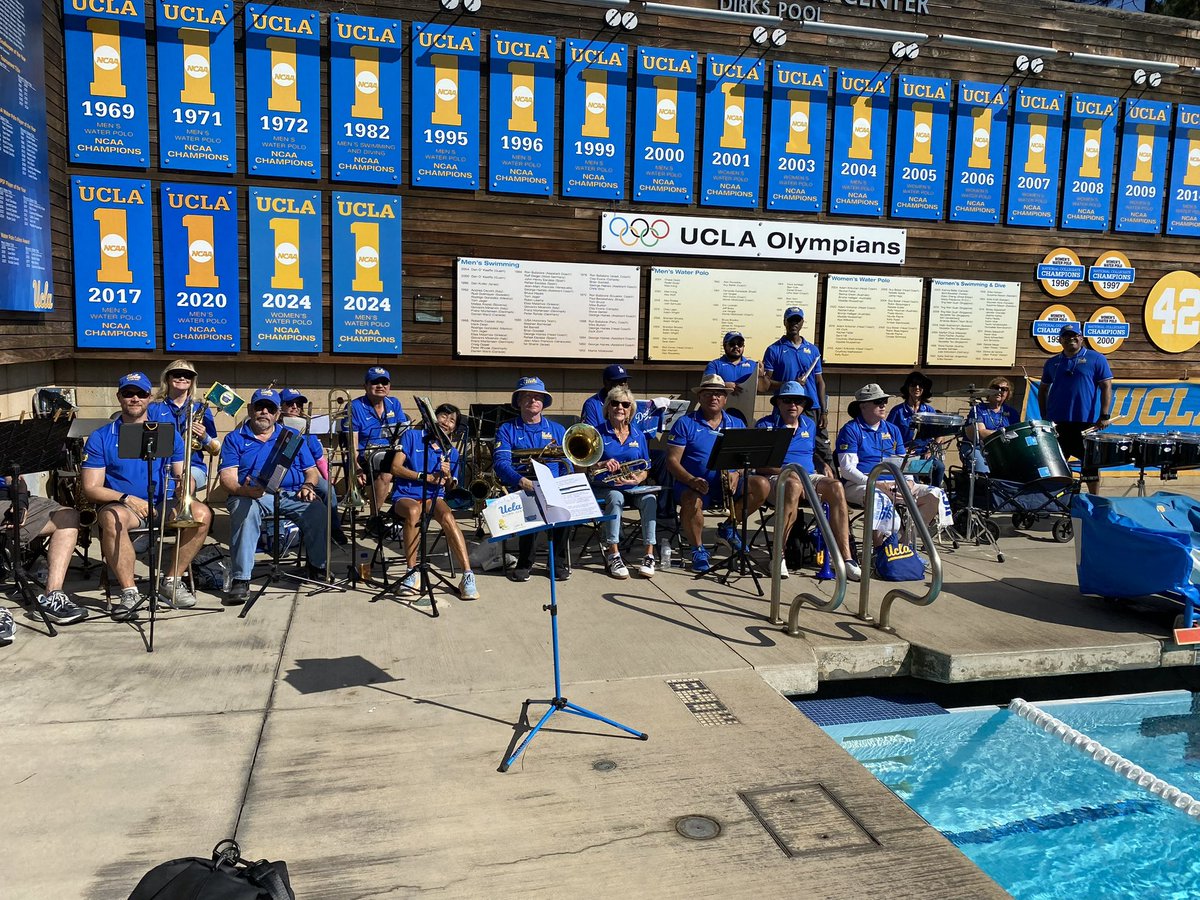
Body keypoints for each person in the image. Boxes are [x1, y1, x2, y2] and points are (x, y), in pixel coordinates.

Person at [81, 373, 213, 621]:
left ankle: (171, 580)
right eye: (128, 393)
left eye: (140, 394)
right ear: (119, 397)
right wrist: (126, 498)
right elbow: (91, 487)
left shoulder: (168, 433)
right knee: (111, 519)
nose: (134, 398)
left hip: (163, 503)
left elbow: (180, 472)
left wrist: (186, 483)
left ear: (149, 398)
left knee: (202, 514)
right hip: (125, 507)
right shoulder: (101, 436)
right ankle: (129, 592)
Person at [218, 389, 327, 606]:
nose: (264, 412)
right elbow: (227, 478)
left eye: (270, 409)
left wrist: (308, 485)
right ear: (250, 410)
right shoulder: (234, 438)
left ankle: (317, 566)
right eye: (259, 407)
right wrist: (242, 490)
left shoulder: (291, 437)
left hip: (288, 493)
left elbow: (311, 471)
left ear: (278, 414)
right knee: (244, 511)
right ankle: (241, 578)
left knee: (317, 509)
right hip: (249, 494)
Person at [755, 382, 861, 581]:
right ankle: (779, 556)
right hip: (777, 476)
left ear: (804, 404)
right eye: (787, 400)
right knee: (793, 484)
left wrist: (823, 464)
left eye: (798, 401)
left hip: (808, 475)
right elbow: (760, 466)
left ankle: (846, 559)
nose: (792, 405)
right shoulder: (765, 425)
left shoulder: (809, 425)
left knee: (836, 486)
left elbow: (810, 453)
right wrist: (789, 471)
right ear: (778, 403)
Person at [665, 373, 769, 574]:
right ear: (700, 397)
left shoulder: (736, 423)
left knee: (762, 485)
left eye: (719, 394)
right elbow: (672, 461)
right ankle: (698, 549)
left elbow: (744, 458)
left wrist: (737, 473)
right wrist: (691, 479)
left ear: (725, 398)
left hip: (728, 483)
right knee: (692, 500)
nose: (714, 397)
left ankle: (729, 527)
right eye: (708, 394)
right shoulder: (685, 423)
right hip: (693, 484)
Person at [388, 403, 479, 602]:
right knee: (413, 511)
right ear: (432, 417)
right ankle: (412, 572)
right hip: (405, 494)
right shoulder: (412, 436)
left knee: (447, 515)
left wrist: (447, 478)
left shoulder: (451, 452)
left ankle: (467, 575)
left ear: (455, 428)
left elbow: (450, 489)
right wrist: (423, 476)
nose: (447, 422)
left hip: (433, 496)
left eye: (452, 420)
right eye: (443, 417)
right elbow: (394, 467)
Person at [836, 383, 948, 544]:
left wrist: (908, 480)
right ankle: (880, 551)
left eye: (884, 401)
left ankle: (905, 545)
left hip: (894, 481)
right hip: (862, 483)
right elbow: (847, 470)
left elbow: (904, 462)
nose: (883, 405)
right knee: (879, 498)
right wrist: (876, 484)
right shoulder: (851, 430)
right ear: (863, 406)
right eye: (877, 402)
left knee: (934, 494)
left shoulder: (892, 429)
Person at [493, 376, 572, 582]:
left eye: (538, 397)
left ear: (543, 402)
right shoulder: (506, 429)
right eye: (527, 397)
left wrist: (563, 483)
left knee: (566, 507)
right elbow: (501, 464)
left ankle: (558, 562)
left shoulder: (557, 429)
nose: (533, 401)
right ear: (518, 401)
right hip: (523, 483)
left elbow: (567, 463)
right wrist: (521, 481)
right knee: (530, 504)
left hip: (553, 484)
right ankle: (525, 562)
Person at [0, 476, 88, 636]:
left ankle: (52, 596)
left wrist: (21, 504)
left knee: (67, 517)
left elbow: (16, 479)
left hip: (7, 500)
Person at [590, 384, 657, 579]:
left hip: (633, 487)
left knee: (650, 498)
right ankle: (614, 553)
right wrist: (601, 462)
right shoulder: (597, 433)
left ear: (631, 410)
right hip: (604, 487)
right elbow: (586, 467)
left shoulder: (638, 434)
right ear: (608, 408)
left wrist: (640, 477)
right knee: (615, 495)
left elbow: (645, 467)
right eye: (615, 403)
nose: (620, 408)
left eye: (625, 405)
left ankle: (649, 554)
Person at [1038, 324, 1114, 494]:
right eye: (1066, 336)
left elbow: (1106, 386)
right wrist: (1045, 417)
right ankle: (1060, 502)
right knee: (1057, 465)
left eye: (1074, 336)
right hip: (1058, 423)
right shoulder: (1052, 362)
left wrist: (1104, 414)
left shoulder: (1096, 359)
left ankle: (1095, 499)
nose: (1071, 339)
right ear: (1060, 340)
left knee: (1089, 465)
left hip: (1085, 422)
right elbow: (1043, 389)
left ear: (1081, 338)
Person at [759, 306, 830, 462]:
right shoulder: (774, 350)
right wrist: (789, 383)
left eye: (797, 320)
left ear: (803, 322)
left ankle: (824, 482)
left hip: (812, 407)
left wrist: (824, 411)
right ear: (785, 322)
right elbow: (766, 384)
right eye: (791, 320)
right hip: (785, 405)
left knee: (823, 449)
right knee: (782, 447)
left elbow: (820, 382)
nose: (794, 324)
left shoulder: (813, 350)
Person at [281, 388, 345, 545]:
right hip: (283, 477)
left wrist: (328, 480)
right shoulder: (274, 430)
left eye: (299, 404)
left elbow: (319, 459)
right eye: (290, 403)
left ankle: (333, 529)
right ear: (280, 407)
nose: (295, 407)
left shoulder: (308, 432)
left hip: (306, 476)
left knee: (327, 490)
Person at [345, 366, 409, 522]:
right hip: (365, 455)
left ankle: (403, 512)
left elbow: (403, 433)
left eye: (384, 382)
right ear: (365, 386)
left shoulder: (394, 403)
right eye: (375, 382)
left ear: (389, 386)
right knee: (388, 470)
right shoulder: (354, 406)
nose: (380, 386)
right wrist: (356, 467)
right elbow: (352, 443)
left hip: (390, 451)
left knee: (420, 461)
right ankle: (375, 519)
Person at [148, 359, 219, 492]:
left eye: (188, 375)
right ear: (167, 378)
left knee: (185, 482)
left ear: (192, 381)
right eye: (177, 374)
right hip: (161, 465)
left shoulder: (201, 408)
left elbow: (216, 450)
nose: (182, 378)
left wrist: (204, 437)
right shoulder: (153, 408)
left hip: (193, 466)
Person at [886, 371, 945, 488]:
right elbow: (887, 434)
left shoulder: (929, 410)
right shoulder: (897, 411)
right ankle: (915, 500)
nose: (917, 388)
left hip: (924, 452)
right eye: (913, 385)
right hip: (905, 454)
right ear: (907, 388)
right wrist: (900, 450)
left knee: (940, 467)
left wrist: (931, 450)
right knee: (915, 470)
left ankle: (934, 493)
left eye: (920, 385)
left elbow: (940, 434)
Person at [581, 363, 660, 439]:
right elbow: (590, 435)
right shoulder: (592, 404)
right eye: (618, 381)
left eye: (624, 381)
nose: (622, 384)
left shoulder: (629, 403)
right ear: (606, 382)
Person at [964, 377, 1021, 474]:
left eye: (1003, 389)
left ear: (1007, 394)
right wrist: (1004, 434)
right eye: (995, 388)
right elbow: (981, 433)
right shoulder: (979, 409)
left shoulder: (1012, 412)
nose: (999, 391)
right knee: (985, 474)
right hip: (978, 448)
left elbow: (1016, 434)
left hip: (1002, 450)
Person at [704, 331, 757, 396]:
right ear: (724, 346)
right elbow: (706, 385)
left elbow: (762, 388)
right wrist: (724, 385)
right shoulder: (714, 365)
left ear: (743, 346)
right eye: (732, 344)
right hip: (722, 405)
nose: (736, 347)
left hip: (746, 404)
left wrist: (762, 376)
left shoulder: (753, 365)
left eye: (739, 344)